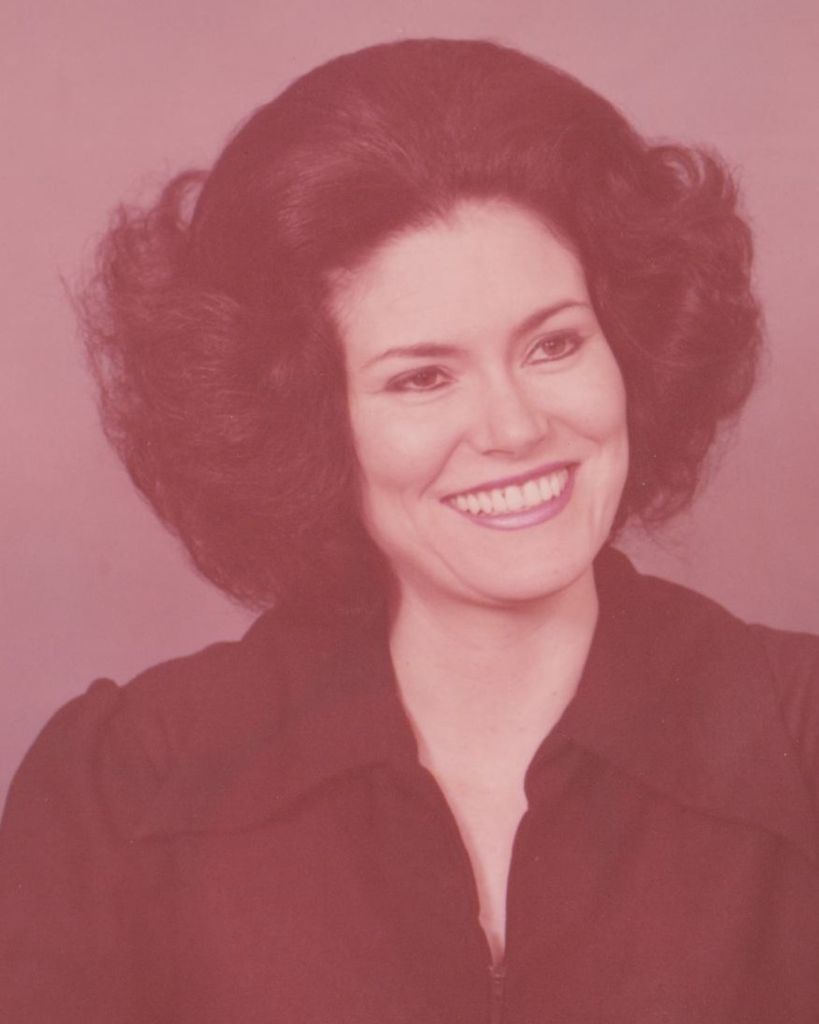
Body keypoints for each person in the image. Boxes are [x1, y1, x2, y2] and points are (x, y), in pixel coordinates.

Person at [1, 36, 817, 1024]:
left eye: (554, 344)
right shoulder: (127, 791)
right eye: (422, 377)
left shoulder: (799, 735)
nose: (513, 428)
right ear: (308, 423)